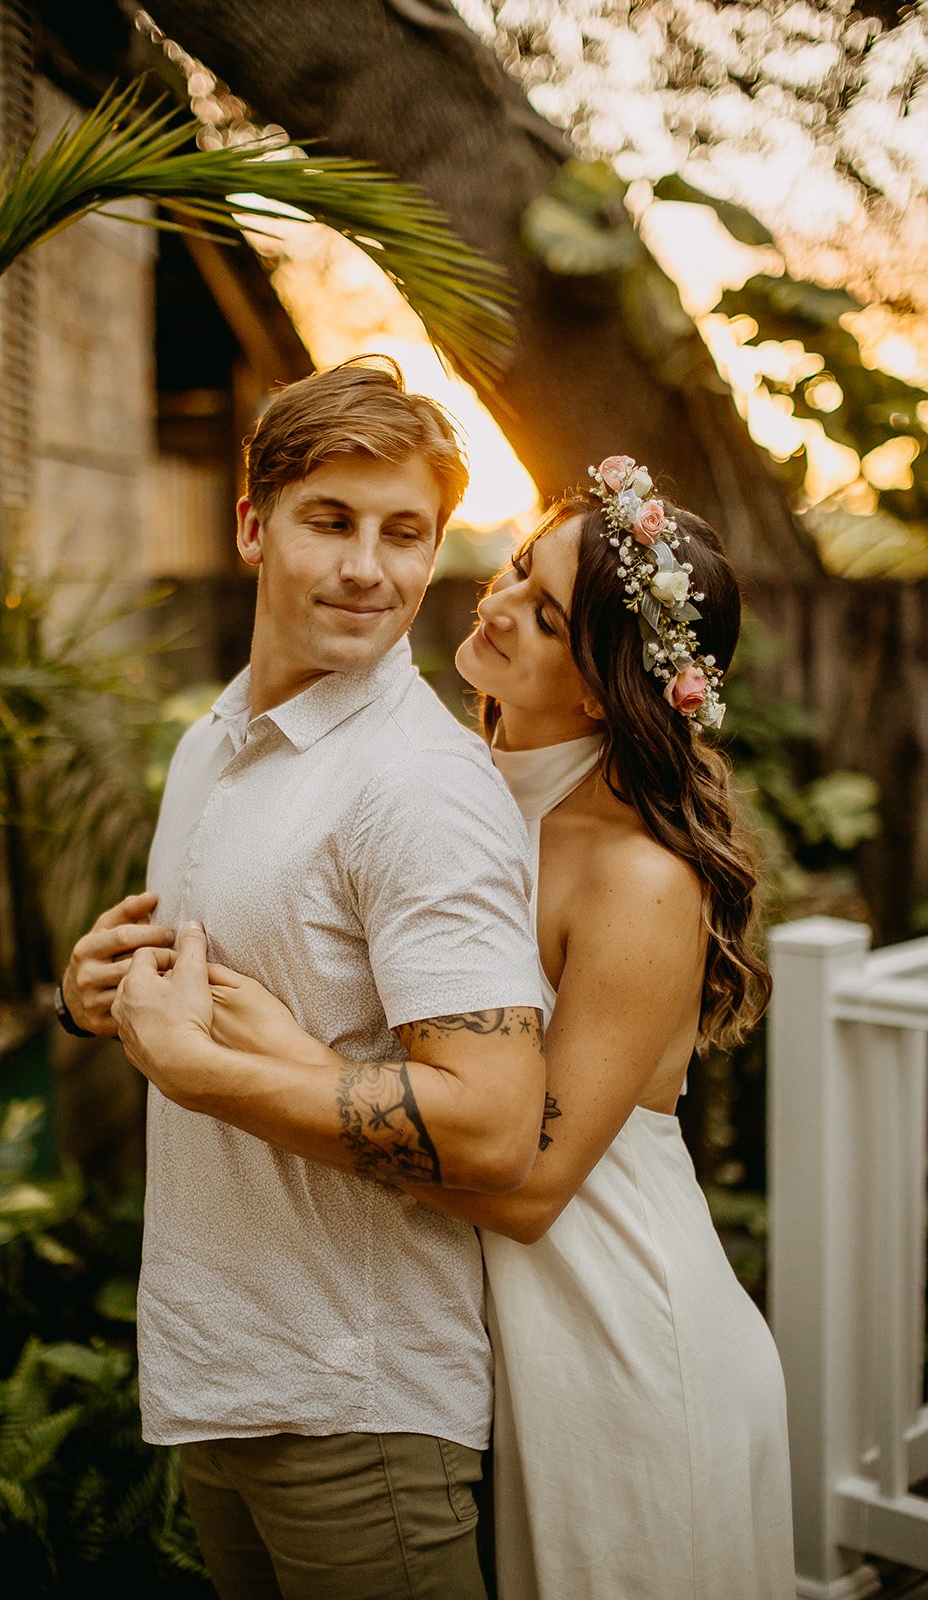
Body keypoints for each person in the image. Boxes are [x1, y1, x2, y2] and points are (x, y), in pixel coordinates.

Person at [120, 454, 798, 1598]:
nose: (493, 606)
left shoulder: (635, 876)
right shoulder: (448, 787)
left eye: (542, 614)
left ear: (600, 686)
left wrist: (284, 1059)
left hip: (611, 1324)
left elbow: (528, 1186)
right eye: (514, 572)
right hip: (478, 1330)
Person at [57, 355, 548, 1600]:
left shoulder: (417, 786)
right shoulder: (212, 744)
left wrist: (206, 1075)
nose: (367, 569)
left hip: (359, 1397)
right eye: (330, 520)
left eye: (404, 533)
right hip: (220, 1369)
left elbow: (491, 1124)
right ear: (251, 526)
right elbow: (217, 988)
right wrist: (95, 990)